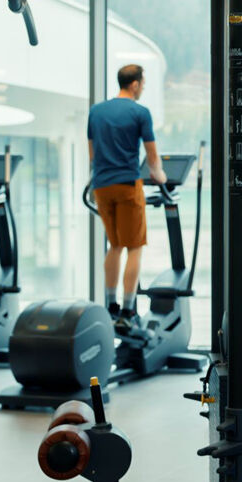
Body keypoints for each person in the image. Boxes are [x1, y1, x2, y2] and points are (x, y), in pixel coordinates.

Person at [87, 64, 166, 327]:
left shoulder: (96, 111)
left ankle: (111, 306)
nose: (143, 88)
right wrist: (160, 175)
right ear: (134, 84)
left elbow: (92, 153)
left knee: (115, 245)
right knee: (134, 247)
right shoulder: (140, 112)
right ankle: (128, 310)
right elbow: (152, 155)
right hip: (127, 184)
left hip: (101, 185)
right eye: (143, 84)